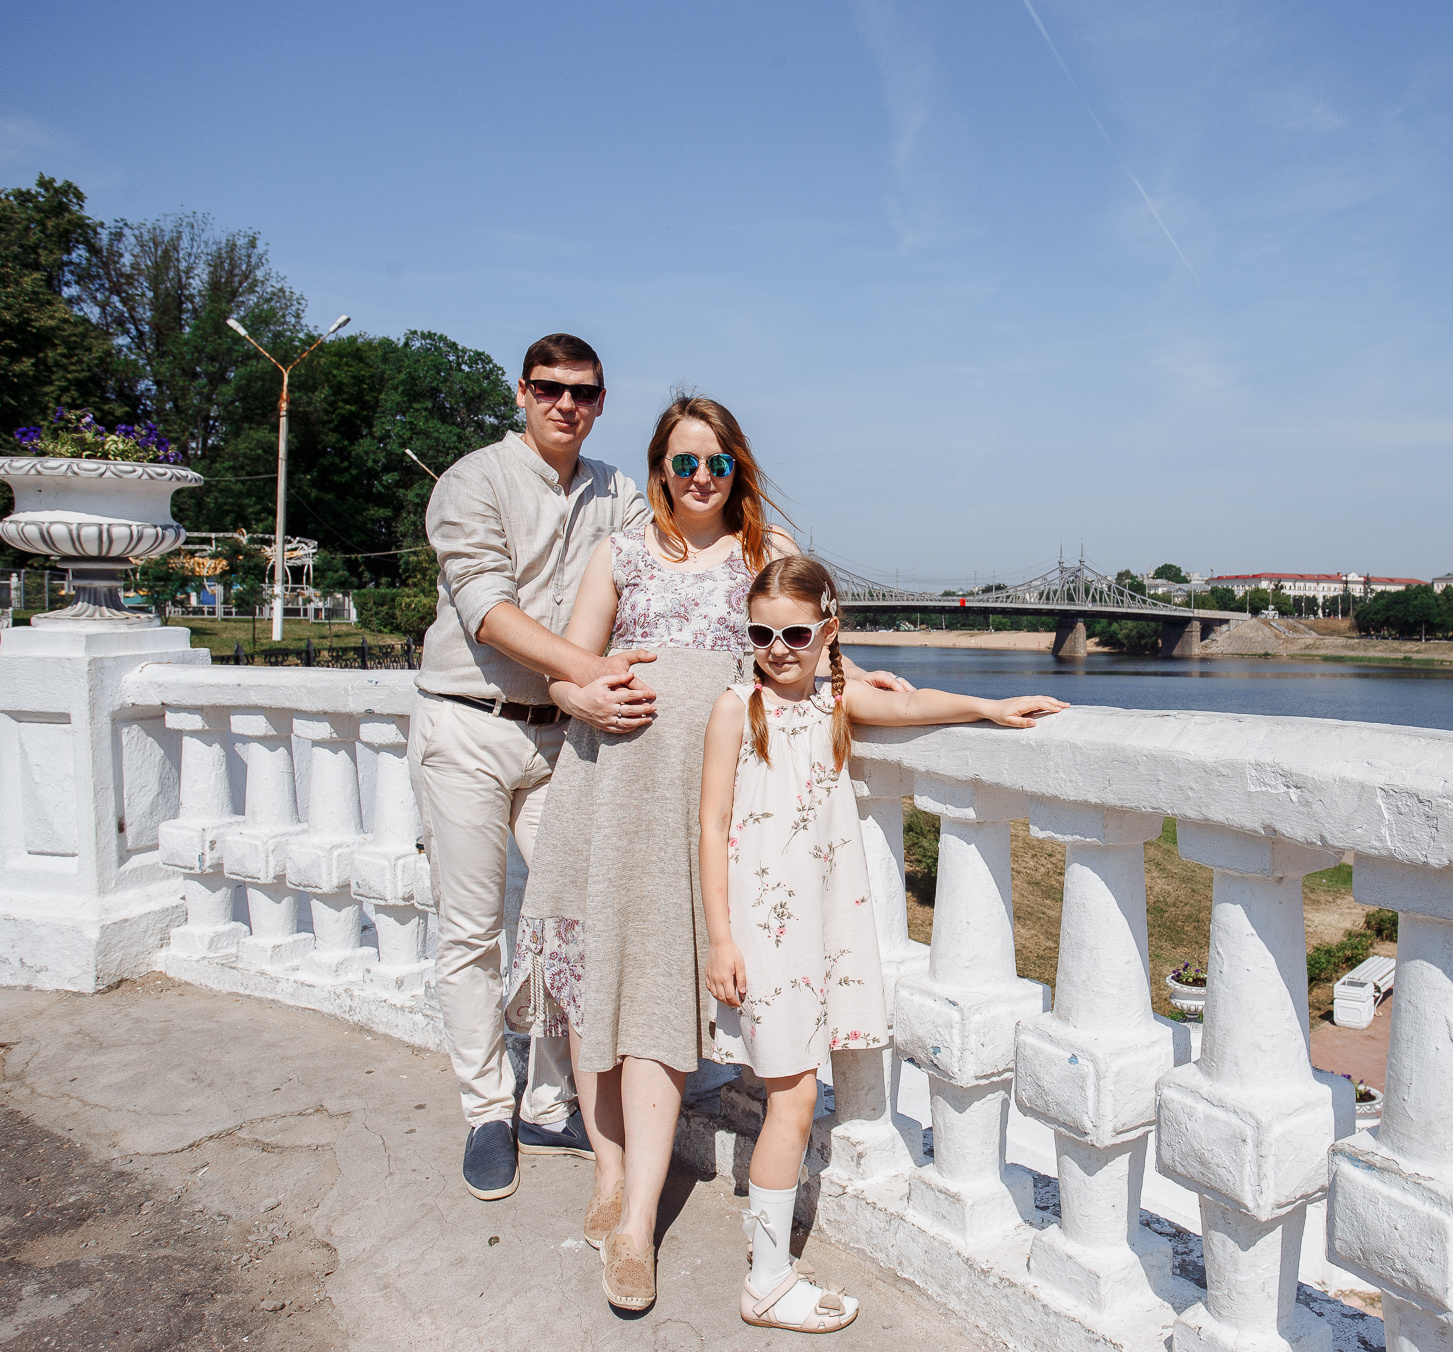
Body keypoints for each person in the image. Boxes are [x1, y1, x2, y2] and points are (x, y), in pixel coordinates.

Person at [512, 395, 908, 1312]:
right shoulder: (618, 551)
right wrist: (583, 701)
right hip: (613, 785)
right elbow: (569, 665)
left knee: (656, 994)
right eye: (682, 462)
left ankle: (636, 1221)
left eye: (716, 463)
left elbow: (809, 646)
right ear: (659, 469)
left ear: (738, 469)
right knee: (594, 982)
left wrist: (894, 683)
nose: (699, 478)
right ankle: (608, 1173)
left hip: (710, 804)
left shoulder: (765, 552)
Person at [701, 555, 1067, 1333]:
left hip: (820, 928)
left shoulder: (835, 700)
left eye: (796, 633)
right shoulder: (736, 707)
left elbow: (916, 706)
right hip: (764, 933)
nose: (778, 648)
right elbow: (707, 826)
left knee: (795, 1095)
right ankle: (765, 1282)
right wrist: (720, 940)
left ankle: (768, 1267)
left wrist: (990, 707)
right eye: (761, 633)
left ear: (827, 633)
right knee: (794, 1098)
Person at [411, 333, 665, 1204]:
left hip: (565, 739)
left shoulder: (618, 492)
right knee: (474, 931)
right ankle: (487, 1108)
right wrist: (587, 676)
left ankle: (549, 1098)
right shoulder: (472, 480)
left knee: (573, 917)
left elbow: (658, 575)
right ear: (521, 393)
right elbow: (487, 610)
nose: (567, 405)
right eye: (550, 388)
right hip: (469, 728)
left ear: (601, 402)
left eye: (584, 393)